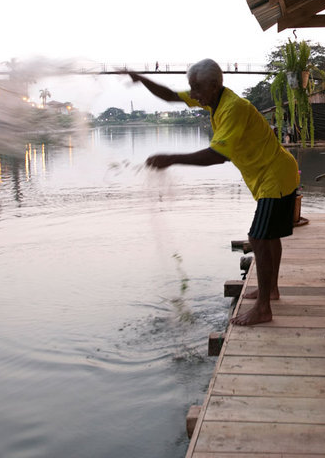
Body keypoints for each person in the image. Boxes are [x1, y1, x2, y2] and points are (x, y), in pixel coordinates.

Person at [128, 59, 299, 326]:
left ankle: (263, 308)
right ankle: (271, 290)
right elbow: (172, 96)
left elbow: (217, 155)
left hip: (274, 176)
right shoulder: (211, 99)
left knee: (258, 237)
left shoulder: (233, 108)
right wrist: (142, 79)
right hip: (271, 174)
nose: (193, 95)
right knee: (269, 235)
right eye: (191, 88)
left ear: (215, 86)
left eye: (197, 89)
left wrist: (171, 158)